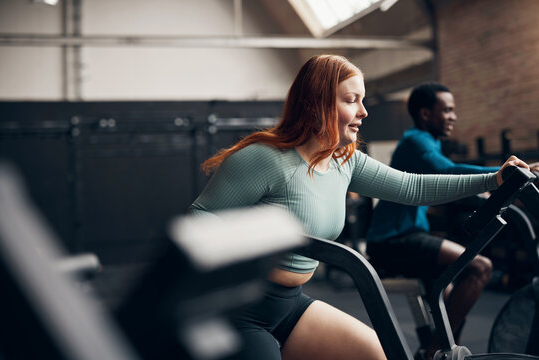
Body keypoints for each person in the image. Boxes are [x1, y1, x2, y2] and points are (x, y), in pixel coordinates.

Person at [190, 56, 529, 360]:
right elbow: (197, 224)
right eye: (352, 101)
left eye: (362, 100)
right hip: (239, 309)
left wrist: (493, 180)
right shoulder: (263, 159)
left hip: (290, 303)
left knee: (375, 353)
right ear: (317, 105)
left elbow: (412, 186)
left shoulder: (344, 161)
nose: (364, 112)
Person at [365, 81, 535, 359]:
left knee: (454, 285)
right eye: (447, 110)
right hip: (393, 241)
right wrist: (505, 172)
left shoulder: (426, 142)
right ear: (425, 114)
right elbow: (448, 171)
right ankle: (436, 350)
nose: (453, 116)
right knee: (480, 267)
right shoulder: (416, 141)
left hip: (407, 236)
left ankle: (438, 346)